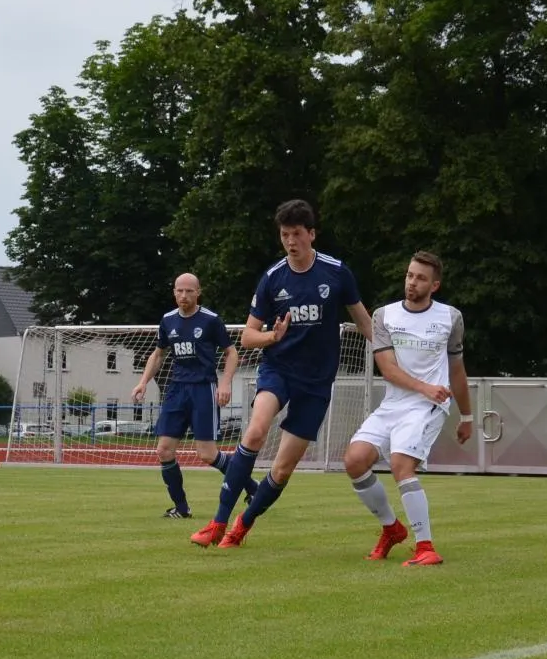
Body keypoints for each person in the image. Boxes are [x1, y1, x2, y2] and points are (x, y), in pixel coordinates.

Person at [192, 199, 372, 549]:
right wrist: (272, 337)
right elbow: (248, 336)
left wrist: (391, 358)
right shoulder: (273, 278)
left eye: (297, 234)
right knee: (256, 431)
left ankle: (242, 525)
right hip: (279, 370)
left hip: (316, 382)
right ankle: (217, 522)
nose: (290, 241)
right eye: (285, 235)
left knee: (282, 469)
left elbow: (364, 322)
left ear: (312, 234)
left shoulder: (336, 272)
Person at [342, 252, 473, 566]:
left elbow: (457, 370)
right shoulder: (384, 315)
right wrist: (425, 386)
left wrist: (467, 416)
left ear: (435, 285)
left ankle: (425, 547)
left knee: (401, 464)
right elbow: (387, 369)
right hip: (394, 404)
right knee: (355, 460)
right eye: (410, 275)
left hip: (428, 406)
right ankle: (391, 529)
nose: (412, 282)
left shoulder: (451, 317)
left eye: (421, 278)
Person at [131, 273, 239, 518]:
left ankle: (252, 485)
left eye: (189, 291)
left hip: (203, 388)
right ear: (174, 292)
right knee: (164, 450)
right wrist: (142, 382)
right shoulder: (168, 320)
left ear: (198, 292)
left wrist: (225, 383)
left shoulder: (211, 320)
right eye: (180, 290)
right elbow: (158, 354)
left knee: (207, 454)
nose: (184, 295)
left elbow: (231, 353)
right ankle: (181, 508)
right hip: (177, 389)